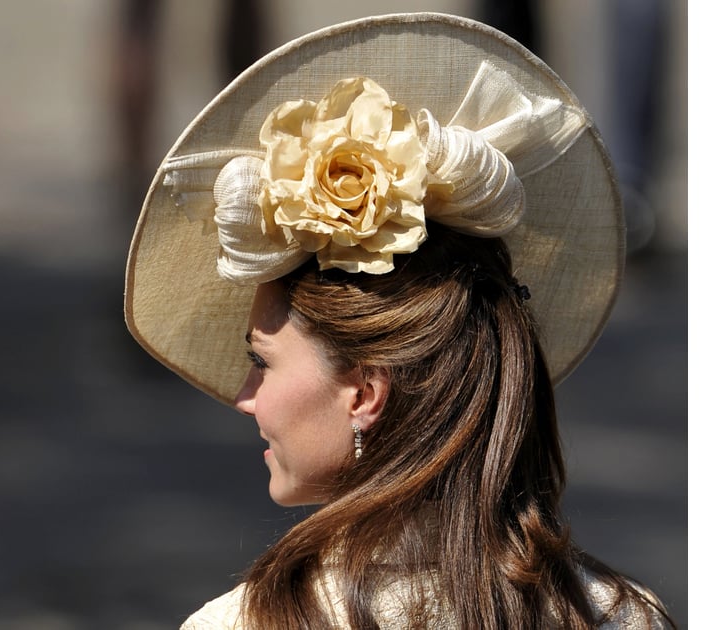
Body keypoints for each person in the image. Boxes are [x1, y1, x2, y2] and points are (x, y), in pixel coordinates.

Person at [124, 13, 673, 629]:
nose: (245, 398)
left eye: (260, 360)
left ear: (365, 392)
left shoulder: (250, 623)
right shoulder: (617, 616)